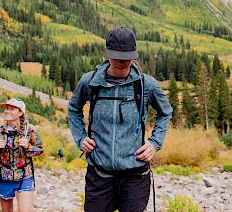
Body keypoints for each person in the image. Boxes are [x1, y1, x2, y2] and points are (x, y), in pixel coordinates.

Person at [68, 27, 173, 212]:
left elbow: (165, 112)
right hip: (99, 174)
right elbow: (73, 108)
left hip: (135, 175)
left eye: (127, 56)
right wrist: (81, 137)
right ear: (108, 53)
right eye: (117, 56)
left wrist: (155, 143)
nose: (122, 61)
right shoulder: (89, 82)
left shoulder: (146, 84)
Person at [0, 98, 43, 212]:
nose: (7, 111)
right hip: (3, 176)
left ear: (21, 112)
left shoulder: (29, 131)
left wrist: (28, 146)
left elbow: (40, 150)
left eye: (12, 109)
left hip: (24, 176)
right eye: (7, 108)